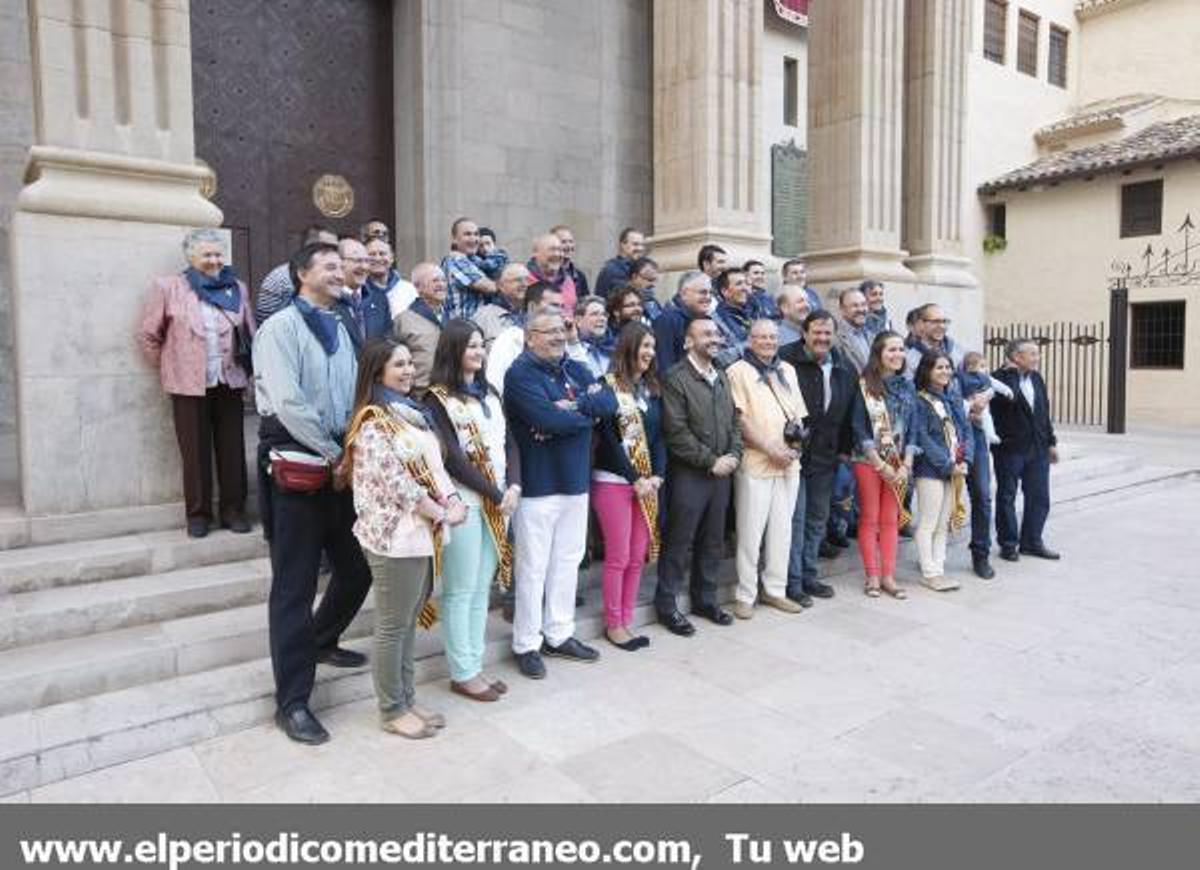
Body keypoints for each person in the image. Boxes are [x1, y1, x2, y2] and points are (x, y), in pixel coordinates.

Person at [252, 241, 373, 745]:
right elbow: (286, 402)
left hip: (340, 466)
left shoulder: (344, 325)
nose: (339, 272)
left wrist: (354, 447)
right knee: (294, 587)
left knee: (356, 570)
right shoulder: (279, 328)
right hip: (299, 469)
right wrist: (333, 451)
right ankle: (293, 701)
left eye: (341, 266)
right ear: (301, 273)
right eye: (328, 265)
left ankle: (321, 641)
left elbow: (356, 392)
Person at [339, 340, 465, 739]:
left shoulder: (412, 415)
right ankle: (391, 709)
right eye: (399, 365)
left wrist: (454, 499)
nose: (409, 370)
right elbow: (400, 485)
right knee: (393, 626)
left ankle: (407, 698)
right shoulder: (373, 421)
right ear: (378, 372)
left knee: (408, 622)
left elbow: (434, 467)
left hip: (422, 533)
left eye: (411, 363)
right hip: (394, 536)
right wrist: (442, 512)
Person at [504, 311, 618, 678]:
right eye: (548, 331)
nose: (558, 336)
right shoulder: (519, 373)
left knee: (568, 561)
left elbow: (609, 404)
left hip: (575, 481)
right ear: (529, 336)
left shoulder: (576, 367)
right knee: (533, 568)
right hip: (538, 484)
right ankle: (526, 642)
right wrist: (583, 412)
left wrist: (574, 409)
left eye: (562, 330)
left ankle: (559, 633)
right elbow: (547, 420)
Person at [425, 321, 522, 702]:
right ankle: (461, 671)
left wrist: (513, 485)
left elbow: (509, 442)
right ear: (452, 351)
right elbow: (452, 459)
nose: (479, 353)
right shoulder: (436, 398)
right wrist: (496, 493)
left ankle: (475, 663)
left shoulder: (490, 391)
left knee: (482, 586)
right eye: (470, 347)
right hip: (464, 500)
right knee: (460, 588)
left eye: (482, 346)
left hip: (499, 497)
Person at [137, 228, 255, 538]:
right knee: (195, 451)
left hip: (229, 380)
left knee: (232, 449)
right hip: (188, 384)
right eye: (207, 255)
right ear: (191, 257)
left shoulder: (237, 288)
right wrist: (170, 369)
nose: (215, 260)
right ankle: (199, 514)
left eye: (218, 254)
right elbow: (149, 335)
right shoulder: (169, 287)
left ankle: (233, 510)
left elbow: (250, 332)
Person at [655, 318, 743, 636]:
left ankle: (705, 599)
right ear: (687, 342)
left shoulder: (721, 375)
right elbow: (675, 431)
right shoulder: (675, 378)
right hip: (690, 473)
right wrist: (711, 461)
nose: (714, 338)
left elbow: (734, 420)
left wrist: (734, 454)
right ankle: (667, 605)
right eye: (706, 334)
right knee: (680, 541)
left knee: (713, 540)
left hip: (722, 473)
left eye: (716, 333)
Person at [725, 319, 806, 618]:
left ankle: (775, 590)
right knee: (750, 533)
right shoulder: (737, 372)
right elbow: (740, 419)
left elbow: (798, 416)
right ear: (750, 340)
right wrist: (771, 448)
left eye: (773, 337)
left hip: (788, 465)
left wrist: (793, 449)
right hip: (756, 463)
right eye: (761, 337)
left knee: (783, 532)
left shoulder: (788, 370)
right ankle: (745, 595)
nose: (769, 342)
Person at [592, 323, 665, 650]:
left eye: (652, 346)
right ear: (628, 347)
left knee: (638, 556)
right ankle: (613, 624)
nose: (649, 352)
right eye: (644, 346)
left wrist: (657, 475)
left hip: (646, 484)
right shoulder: (606, 388)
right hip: (614, 482)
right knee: (619, 555)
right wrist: (634, 478)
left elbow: (659, 437)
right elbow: (607, 442)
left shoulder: (650, 389)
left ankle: (627, 619)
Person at [779, 311, 857, 606]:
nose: (823, 338)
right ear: (805, 332)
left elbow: (849, 411)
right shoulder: (786, 361)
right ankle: (792, 581)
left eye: (828, 334)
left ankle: (810, 576)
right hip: (793, 456)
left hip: (826, 458)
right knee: (795, 521)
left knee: (816, 520)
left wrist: (844, 451)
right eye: (817, 333)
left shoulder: (843, 367)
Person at [850, 331, 917, 598]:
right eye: (891, 350)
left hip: (898, 462)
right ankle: (873, 576)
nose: (898, 354)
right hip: (869, 461)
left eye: (901, 349)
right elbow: (858, 426)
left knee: (891, 519)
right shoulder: (866, 384)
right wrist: (880, 464)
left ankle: (889, 576)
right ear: (879, 353)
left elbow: (913, 427)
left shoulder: (908, 386)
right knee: (871, 517)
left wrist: (907, 462)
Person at [991, 338, 1061, 562]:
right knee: (1006, 497)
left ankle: (1032, 542)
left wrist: (1051, 442)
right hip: (1010, 448)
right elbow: (1009, 398)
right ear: (1015, 357)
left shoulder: (1037, 379)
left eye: (1037, 354)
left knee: (1039, 497)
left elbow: (1043, 413)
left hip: (1038, 448)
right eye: (1032, 354)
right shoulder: (998, 379)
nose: (1037, 358)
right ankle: (1009, 544)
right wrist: (1011, 373)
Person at [912, 351, 974, 591]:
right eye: (939, 367)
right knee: (928, 522)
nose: (945, 371)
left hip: (954, 468)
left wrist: (965, 459)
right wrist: (947, 464)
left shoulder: (953, 399)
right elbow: (922, 437)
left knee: (943, 523)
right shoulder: (919, 400)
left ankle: (939, 568)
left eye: (948, 367)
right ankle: (929, 572)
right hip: (930, 469)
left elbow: (965, 431)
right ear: (927, 370)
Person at [959, 351, 1015, 580]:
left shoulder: (956, 347)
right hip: (952, 434)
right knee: (943, 500)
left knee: (982, 495)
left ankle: (980, 554)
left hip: (978, 437)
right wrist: (969, 406)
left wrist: (987, 395)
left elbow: (992, 386)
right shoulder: (946, 363)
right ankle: (933, 556)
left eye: (943, 321)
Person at [485, 281, 564, 394]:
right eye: (554, 305)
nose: (560, 312)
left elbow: (584, 382)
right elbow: (495, 387)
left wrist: (574, 342)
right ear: (532, 307)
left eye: (562, 307)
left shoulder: (561, 338)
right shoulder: (510, 339)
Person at [255, 224, 336, 325]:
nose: (334, 253)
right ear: (309, 247)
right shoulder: (284, 277)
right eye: (327, 248)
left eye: (335, 248)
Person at [393, 263, 448, 396]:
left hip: (450, 396)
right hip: (419, 396)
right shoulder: (403, 320)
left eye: (443, 280)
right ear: (418, 287)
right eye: (435, 280)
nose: (441, 284)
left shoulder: (453, 317)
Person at [337, 237, 392, 351]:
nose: (364, 267)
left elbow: (388, 342)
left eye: (367, 261)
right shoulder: (327, 300)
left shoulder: (379, 299)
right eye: (357, 261)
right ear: (339, 262)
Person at [652, 271, 712, 373]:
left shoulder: (707, 320)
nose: (709, 297)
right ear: (684, 294)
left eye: (711, 293)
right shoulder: (668, 320)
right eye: (703, 292)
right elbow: (665, 367)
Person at [441, 217, 497, 320]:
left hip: (479, 328)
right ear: (454, 239)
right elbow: (490, 287)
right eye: (467, 234)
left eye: (476, 234)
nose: (474, 239)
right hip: (463, 330)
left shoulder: (475, 260)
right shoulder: (456, 260)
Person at [473, 261, 529, 350]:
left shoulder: (535, 314)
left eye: (527, 280)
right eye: (518, 280)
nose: (525, 284)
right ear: (500, 285)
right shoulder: (484, 316)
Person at [905, 303, 964, 375]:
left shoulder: (958, 351)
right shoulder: (909, 358)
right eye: (935, 321)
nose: (941, 326)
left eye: (944, 321)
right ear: (921, 324)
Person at [527, 232, 578, 313]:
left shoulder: (568, 281)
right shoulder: (524, 280)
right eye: (552, 249)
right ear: (535, 252)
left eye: (560, 250)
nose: (557, 254)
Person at [711, 267, 753, 368]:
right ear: (725, 291)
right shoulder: (714, 321)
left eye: (746, 283)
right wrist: (750, 345)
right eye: (739, 284)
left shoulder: (753, 313)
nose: (745, 288)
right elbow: (718, 359)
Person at [366, 237, 416, 320]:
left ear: (392, 258)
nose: (377, 258)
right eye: (372, 254)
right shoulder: (359, 292)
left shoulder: (409, 290)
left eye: (382, 254)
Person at [566, 294, 613, 378]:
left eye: (604, 314)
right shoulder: (567, 350)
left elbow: (614, 384)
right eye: (595, 314)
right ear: (578, 320)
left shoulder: (612, 348)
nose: (602, 318)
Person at [594, 227, 645, 298]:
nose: (640, 248)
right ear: (623, 245)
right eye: (635, 244)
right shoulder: (610, 270)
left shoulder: (640, 268)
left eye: (642, 245)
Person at [835, 287, 872, 375]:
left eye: (863, 304)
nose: (861, 309)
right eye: (855, 306)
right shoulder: (835, 339)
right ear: (842, 310)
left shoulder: (871, 335)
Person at [552, 224, 590, 297]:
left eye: (571, 241)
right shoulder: (546, 273)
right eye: (563, 242)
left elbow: (584, 303)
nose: (568, 246)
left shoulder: (580, 276)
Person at [627, 256, 665, 322]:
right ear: (634, 277)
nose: (653, 284)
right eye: (649, 279)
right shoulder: (622, 300)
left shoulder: (652, 301)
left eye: (655, 280)